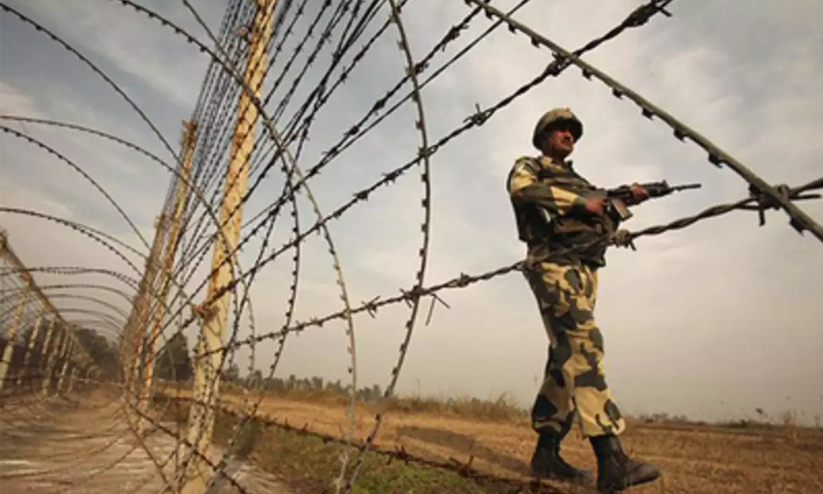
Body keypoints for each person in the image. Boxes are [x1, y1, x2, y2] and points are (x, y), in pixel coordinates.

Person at [506, 108, 661, 493]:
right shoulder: (531, 166)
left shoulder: (582, 181)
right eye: (559, 130)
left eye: (572, 131)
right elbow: (521, 189)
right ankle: (612, 459)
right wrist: (582, 202)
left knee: (566, 357)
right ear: (543, 137)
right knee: (585, 345)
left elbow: (599, 221)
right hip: (552, 262)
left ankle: (546, 454)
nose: (567, 135)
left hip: (586, 267)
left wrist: (624, 204)